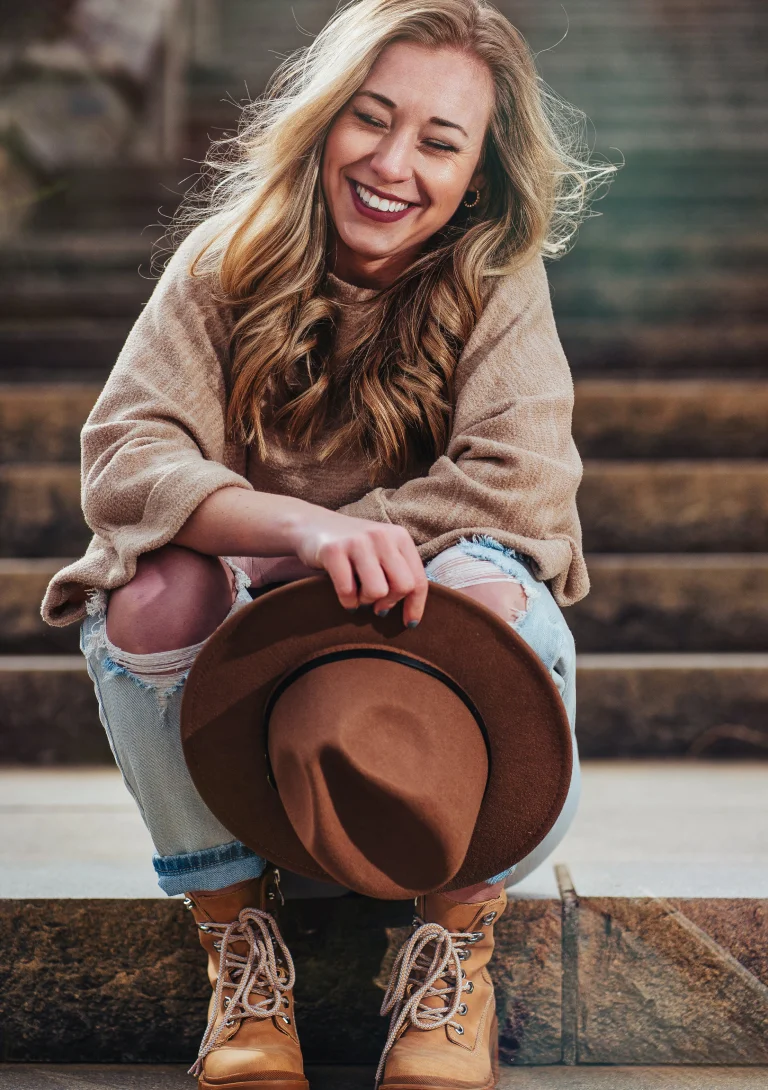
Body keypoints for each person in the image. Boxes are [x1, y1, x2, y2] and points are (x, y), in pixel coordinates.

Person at [39, 1, 615, 1086]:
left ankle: (455, 952)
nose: (393, 164)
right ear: (324, 118)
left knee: (495, 583)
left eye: (439, 141)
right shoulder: (225, 260)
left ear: (478, 177)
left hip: (425, 716)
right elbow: (127, 457)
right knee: (150, 590)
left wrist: (362, 541)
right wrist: (295, 531)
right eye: (372, 117)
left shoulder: (496, 276)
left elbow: (521, 482)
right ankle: (240, 952)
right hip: (251, 712)